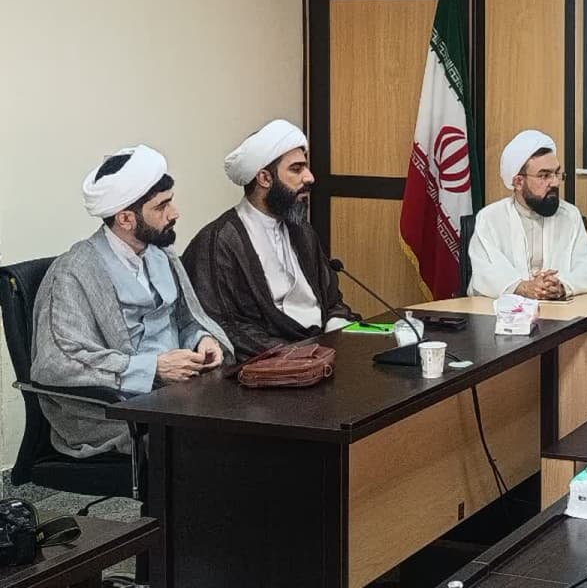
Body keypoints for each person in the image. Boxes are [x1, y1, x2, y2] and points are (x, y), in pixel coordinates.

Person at [31, 146, 231, 457]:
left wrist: (202, 339)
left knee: (257, 418)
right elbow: (58, 363)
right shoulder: (73, 272)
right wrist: (152, 368)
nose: (175, 213)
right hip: (115, 411)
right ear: (125, 218)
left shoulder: (161, 255)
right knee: (215, 445)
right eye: (162, 206)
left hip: (180, 392)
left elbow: (187, 318)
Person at [184, 119, 358, 359]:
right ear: (264, 178)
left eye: (306, 167)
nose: (309, 177)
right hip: (270, 364)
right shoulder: (218, 242)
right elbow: (227, 327)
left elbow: (331, 301)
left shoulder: (302, 231)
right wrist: (297, 355)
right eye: (296, 169)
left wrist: (339, 332)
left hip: (322, 351)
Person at [468, 130, 587, 299]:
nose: (555, 182)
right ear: (518, 182)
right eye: (544, 175)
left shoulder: (570, 216)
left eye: (557, 173)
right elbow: (485, 273)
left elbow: (585, 270)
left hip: (559, 310)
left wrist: (560, 287)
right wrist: (522, 287)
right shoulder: (490, 219)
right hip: (502, 311)